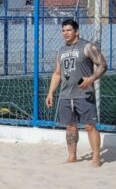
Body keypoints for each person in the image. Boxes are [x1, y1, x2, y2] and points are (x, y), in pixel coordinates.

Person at [46, 18, 108, 166]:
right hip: (66, 95)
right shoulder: (61, 51)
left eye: (68, 30)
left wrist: (91, 79)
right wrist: (50, 93)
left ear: (76, 31)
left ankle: (96, 158)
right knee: (70, 126)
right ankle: (72, 156)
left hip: (83, 94)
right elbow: (57, 73)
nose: (65, 33)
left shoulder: (87, 47)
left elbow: (103, 65)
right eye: (63, 31)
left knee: (89, 126)